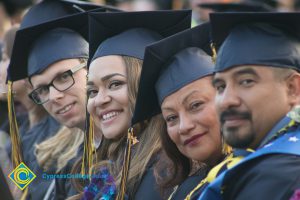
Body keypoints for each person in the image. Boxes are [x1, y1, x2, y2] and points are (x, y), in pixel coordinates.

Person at [79, 10, 192, 200]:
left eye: (115, 84)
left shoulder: (167, 175)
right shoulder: (110, 167)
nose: (99, 100)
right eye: (92, 91)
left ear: (148, 86)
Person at [7, 1, 113, 199]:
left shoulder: (123, 144)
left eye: (64, 76)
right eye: (43, 89)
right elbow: (21, 189)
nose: (55, 96)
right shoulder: (27, 137)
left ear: (92, 67)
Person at [198, 12, 300, 200]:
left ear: (292, 88)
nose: (227, 100)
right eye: (220, 87)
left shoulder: (277, 175)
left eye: (246, 81)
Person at [131, 23, 231, 200]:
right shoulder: (98, 164)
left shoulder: (256, 172)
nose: (183, 127)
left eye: (195, 105)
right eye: (171, 117)